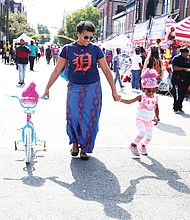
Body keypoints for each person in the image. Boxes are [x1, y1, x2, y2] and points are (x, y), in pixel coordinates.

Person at [42, 21, 121, 160]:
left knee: (90, 118)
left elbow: (106, 70)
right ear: (78, 34)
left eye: (91, 37)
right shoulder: (67, 49)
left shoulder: (96, 49)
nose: (88, 40)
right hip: (74, 87)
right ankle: (74, 142)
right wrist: (47, 88)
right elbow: (57, 69)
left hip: (93, 87)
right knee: (73, 116)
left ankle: (85, 147)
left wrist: (114, 90)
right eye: (85, 37)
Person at [120, 68, 159, 156]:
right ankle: (133, 145)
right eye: (149, 90)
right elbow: (129, 101)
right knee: (142, 132)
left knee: (149, 137)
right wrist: (120, 99)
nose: (151, 92)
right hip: (140, 119)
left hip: (148, 120)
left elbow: (156, 108)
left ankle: (143, 146)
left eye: (154, 90)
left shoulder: (155, 97)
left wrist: (156, 117)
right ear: (144, 89)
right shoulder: (141, 96)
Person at [171, 46, 190, 114]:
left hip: (185, 80)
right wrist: (183, 69)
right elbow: (174, 67)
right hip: (177, 79)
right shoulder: (176, 58)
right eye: (185, 53)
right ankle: (176, 107)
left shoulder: (187, 59)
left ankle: (180, 106)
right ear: (182, 53)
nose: (186, 54)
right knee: (177, 94)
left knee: (182, 93)